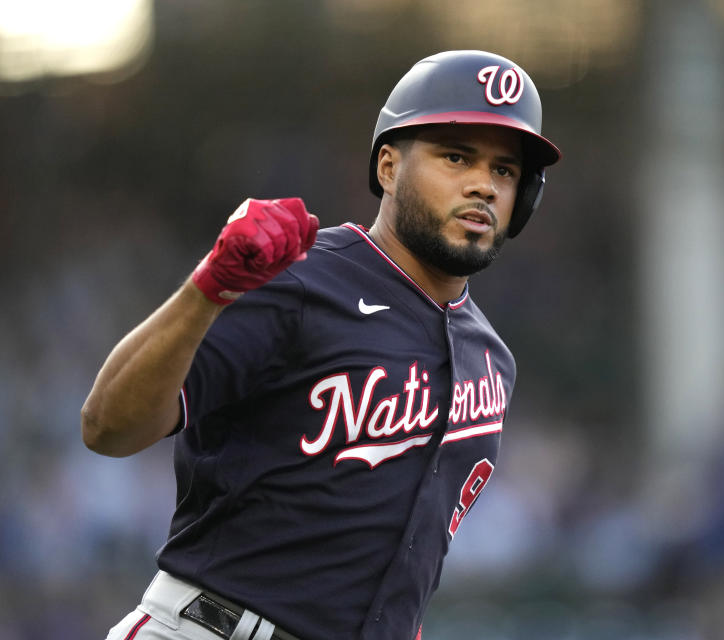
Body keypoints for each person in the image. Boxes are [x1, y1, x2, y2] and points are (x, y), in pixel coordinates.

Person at [81, 49, 561, 640]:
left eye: (505, 170)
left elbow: (405, 565)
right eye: (455, 155)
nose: (482, 185)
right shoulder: (300, 277)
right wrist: (208, 291)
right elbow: (107, 427)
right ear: (388, 167)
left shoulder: (492, 362)